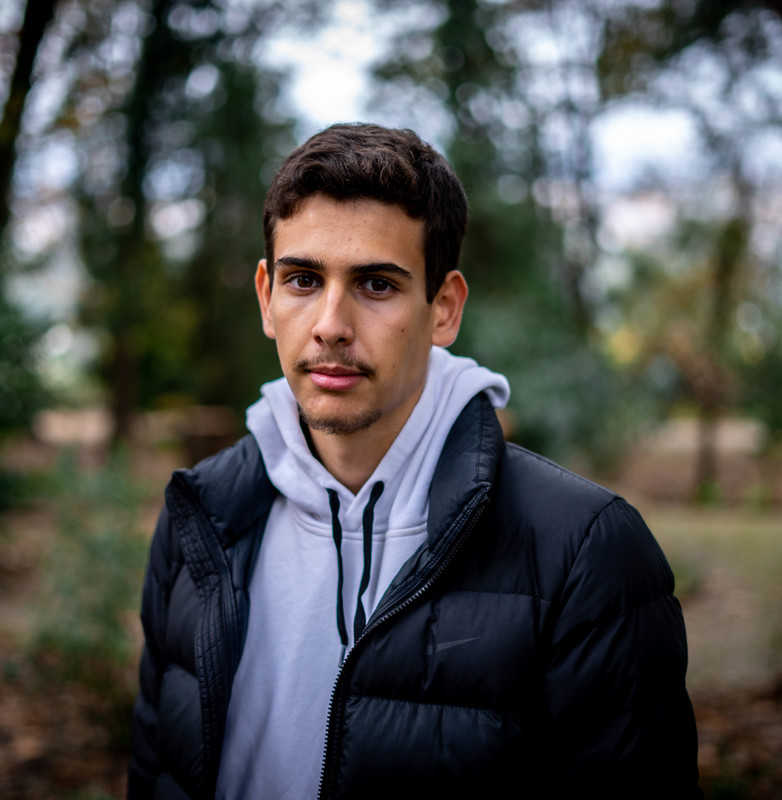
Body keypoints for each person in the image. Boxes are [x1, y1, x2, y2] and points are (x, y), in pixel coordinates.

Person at [128, 123, 701, 800]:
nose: (330, 324)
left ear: (445, 309)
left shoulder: (584, 552)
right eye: (303, 280)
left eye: (376, 284)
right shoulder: (200, 516)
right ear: (266, 298)